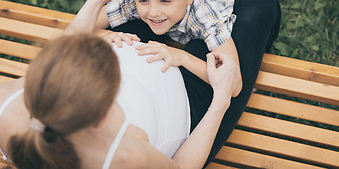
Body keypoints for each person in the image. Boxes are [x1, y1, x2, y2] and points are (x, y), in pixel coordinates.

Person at [93, 0, 282, 165]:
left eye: (163, 1)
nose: (152, 12)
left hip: (214, 4)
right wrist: (107, 34)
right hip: (187, 15)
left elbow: (234, 82)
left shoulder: (205, 13)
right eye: (143, 1)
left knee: (234, 0)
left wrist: (181, 57)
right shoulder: (136, 0)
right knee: (189, 9)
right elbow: (85, 31)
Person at [0, 34, 240, 169]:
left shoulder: (11, 108)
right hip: (188, 116)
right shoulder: (124, 157)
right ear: (100, 117)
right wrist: (220, 99)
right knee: (259, 5)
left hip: (164, 71)